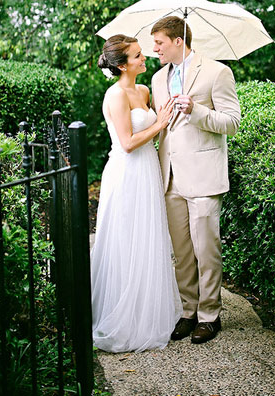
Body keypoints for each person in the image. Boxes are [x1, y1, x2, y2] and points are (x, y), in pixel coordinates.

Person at [151, 16, 241, 344]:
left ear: (178, 40)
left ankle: (209, 315)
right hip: (169, 175)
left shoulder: (217, 72)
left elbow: (231, 122)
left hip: (204, 175)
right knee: (182, 251)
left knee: (207, 248)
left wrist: (197, 110)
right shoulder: (158, 78)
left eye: (159, 42)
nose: (154, 48)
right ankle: (188, 312)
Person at [90, 34, 182, 353]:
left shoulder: (142, 90)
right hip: (127, 174)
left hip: (148, 171)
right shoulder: (115, 96)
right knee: (126, 241)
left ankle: (148, 313)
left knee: (148, 239)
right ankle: (126, 320)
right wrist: (161, 123)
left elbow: (157, 124)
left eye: (143, 53)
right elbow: (128, 143)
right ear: (121, 65)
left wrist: (170, 110)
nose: (144, 59)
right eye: (137, 56)